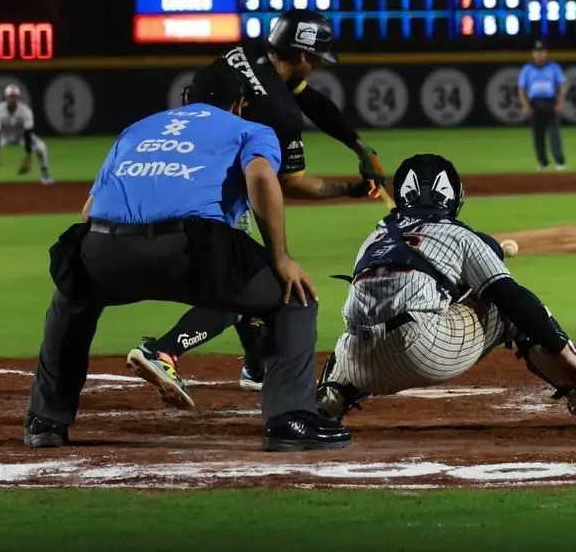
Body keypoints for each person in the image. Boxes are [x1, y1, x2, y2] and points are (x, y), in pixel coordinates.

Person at [23, 61, 350, 452]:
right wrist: (280, 257)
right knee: (294, 295)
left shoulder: (137, 129)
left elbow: (89, 210)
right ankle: (290, 420)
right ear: (239, 104)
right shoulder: (250, 129)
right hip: (190, 249)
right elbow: (262, 177)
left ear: (185, 99)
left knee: (71, 296)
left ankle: (46, 422)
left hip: (104, 247)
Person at [127, 9, 387, 408]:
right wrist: (352, 188)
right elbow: (289, 184)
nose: (316, 67)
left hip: (168, 165)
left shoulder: (245, 57)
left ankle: (257, 364)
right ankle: (163, 350)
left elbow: (310, 100)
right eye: (316, 58)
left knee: (248, 270)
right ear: (301, 55)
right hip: (210, 192)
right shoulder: (279, 112)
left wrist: (357, 144)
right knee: (244, 281)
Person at [315, 153, 576, 429]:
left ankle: (331, 398)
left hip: (357, 362)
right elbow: (512, 298)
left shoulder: (372, 239)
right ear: (454, 197)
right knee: (509, 306)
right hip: (423, 352)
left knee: (365, 320)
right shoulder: (459, 236)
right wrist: (565, 354)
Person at [0, 83, 53, 186]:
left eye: (14, 96)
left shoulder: (25, 111)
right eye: (10, 96)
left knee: (41, 147)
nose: (12, 99)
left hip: (21, 136)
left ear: (18, 98)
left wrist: (28, 157)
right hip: (3, 135)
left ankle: (45, 175)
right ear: (6, 97)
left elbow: (27, 134)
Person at [518, 40, 566, 170]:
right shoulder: (527, 69)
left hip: (550, 101)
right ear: (533, 54)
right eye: (537, 52)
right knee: (538, 135)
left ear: (546, 53)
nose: (540, 55)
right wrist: (526, 106)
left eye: (542, 52)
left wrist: (560, 102)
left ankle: (560, 162)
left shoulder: (553, 67)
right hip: (535, 103)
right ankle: (542, 162)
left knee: (554, 134)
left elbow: (561, 85)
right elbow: (522, 89)